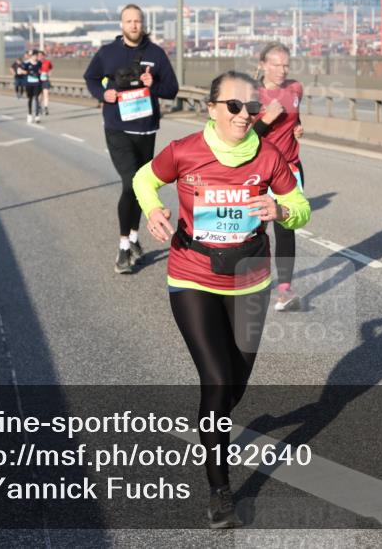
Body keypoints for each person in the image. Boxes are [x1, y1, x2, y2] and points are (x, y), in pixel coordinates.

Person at [133, 70, 311, 529]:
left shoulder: (268, 155)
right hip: (192, 274)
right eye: (233, 106)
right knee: (215, 380)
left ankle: (211, 424)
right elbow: (142, 180)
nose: (244, 115)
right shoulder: (185, 151)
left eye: (252, 107)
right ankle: (220, 492)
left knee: (235, 386)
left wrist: (282, 210)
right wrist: (153, 209)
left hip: (249, 279)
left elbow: (301, 208)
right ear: (211, 108)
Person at [83, 3, 179, 274]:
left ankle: (135, 239)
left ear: (143, 24)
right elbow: (90, 78)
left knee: (142, 187)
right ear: (121, 25)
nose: (134, 25)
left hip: (147, 129)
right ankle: (124, 247)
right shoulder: (108, 53)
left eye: (138, 21)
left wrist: (154, 85)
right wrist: (104, 95)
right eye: (129, 21)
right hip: (118, 129)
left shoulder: (156, 54)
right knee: (130, 183)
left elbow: (172, 89)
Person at [253, 42, 306, 311]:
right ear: (262, 64)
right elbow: (244, 139)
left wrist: (297, 128)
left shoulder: (295, 88)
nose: (282, 70)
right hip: (260, 171)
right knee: (256, 230)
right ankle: (254, 282)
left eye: (286, 64)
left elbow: (295, 116)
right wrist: (265, 120)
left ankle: (284, 289)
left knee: (286, 228)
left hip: (291, 168)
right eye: (276, 64)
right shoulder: (252, 95)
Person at [22, 50, 44, 124]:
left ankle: (37, 116)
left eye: (37, 56)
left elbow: (41, 71)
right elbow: (21, 71)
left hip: (37, 83)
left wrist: (41, 74)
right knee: (30, 99)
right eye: (35, 56)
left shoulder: (39, 63)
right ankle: (29, 114)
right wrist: (28, 72)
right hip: (29, 84)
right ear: (32, 56)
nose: (36, 57)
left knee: (37, 99)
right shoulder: (27, 64)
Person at [38, 50, 52, 116]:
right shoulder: (36, 63)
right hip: (38, 81)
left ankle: (46, 107)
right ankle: (39, 106)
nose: (40, 57)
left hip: (45, 80)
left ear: (44, 56)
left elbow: (50, 69)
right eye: (39, 56)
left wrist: (48, 74)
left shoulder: (48, 62)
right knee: (39, 95)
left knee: (46, 94)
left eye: (41, 55)